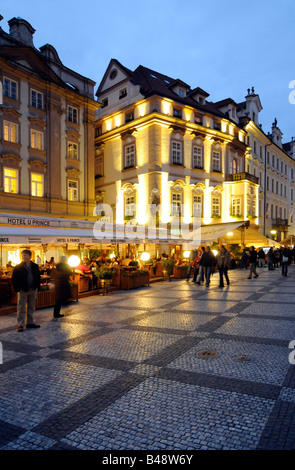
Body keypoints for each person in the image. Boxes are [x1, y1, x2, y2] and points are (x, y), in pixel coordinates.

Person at [12, 249, 41, 332]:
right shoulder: (18, 267)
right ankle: (20, 324)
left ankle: (30, 323)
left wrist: (37, 287)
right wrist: (17, 289)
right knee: (21, 308)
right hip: (23, 290)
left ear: (30, 256)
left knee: (31, 307)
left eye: (25, 255)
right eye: (22, 256)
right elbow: (14, 279)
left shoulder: (35, 266)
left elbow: (38, 277)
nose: (23, 257)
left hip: (32, 289)